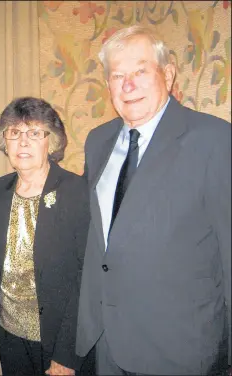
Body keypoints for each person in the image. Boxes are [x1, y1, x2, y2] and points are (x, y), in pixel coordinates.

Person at [75, 25, 231, 375]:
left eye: (140, 71)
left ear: (169, 74)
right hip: (107, 342)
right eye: (117, 76)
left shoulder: (214, 140)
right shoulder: (97, 141)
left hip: (180, 349)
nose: (128, 85)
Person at [0, 97, 92, 375]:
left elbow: (89, 276)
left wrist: (67, 354)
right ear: (4, 141)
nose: (23, 142)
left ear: (52, 142)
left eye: (34, 133)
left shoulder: (75, 191)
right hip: (10, 333)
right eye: (14, 133)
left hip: (59, 340)